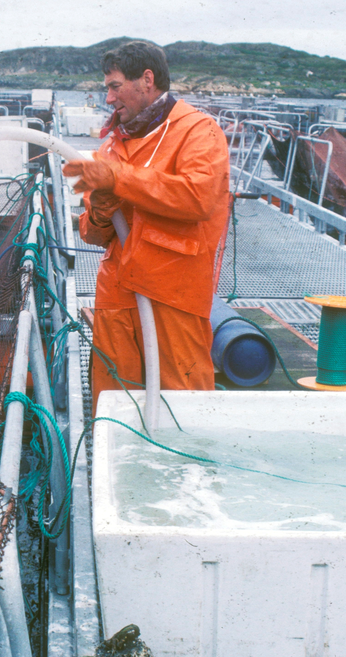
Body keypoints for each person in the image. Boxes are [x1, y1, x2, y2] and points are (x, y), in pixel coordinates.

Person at [64, 40, 230, 400]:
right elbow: (93, 234)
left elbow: (198, 197)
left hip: (174, 294)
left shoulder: (199, 131)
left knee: (184, 404)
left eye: (114, 86)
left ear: (147, 79)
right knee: (114, 401)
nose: (108, 99)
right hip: (117, 294)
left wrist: (118, 180)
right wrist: (102, 206)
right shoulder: (112, 144)